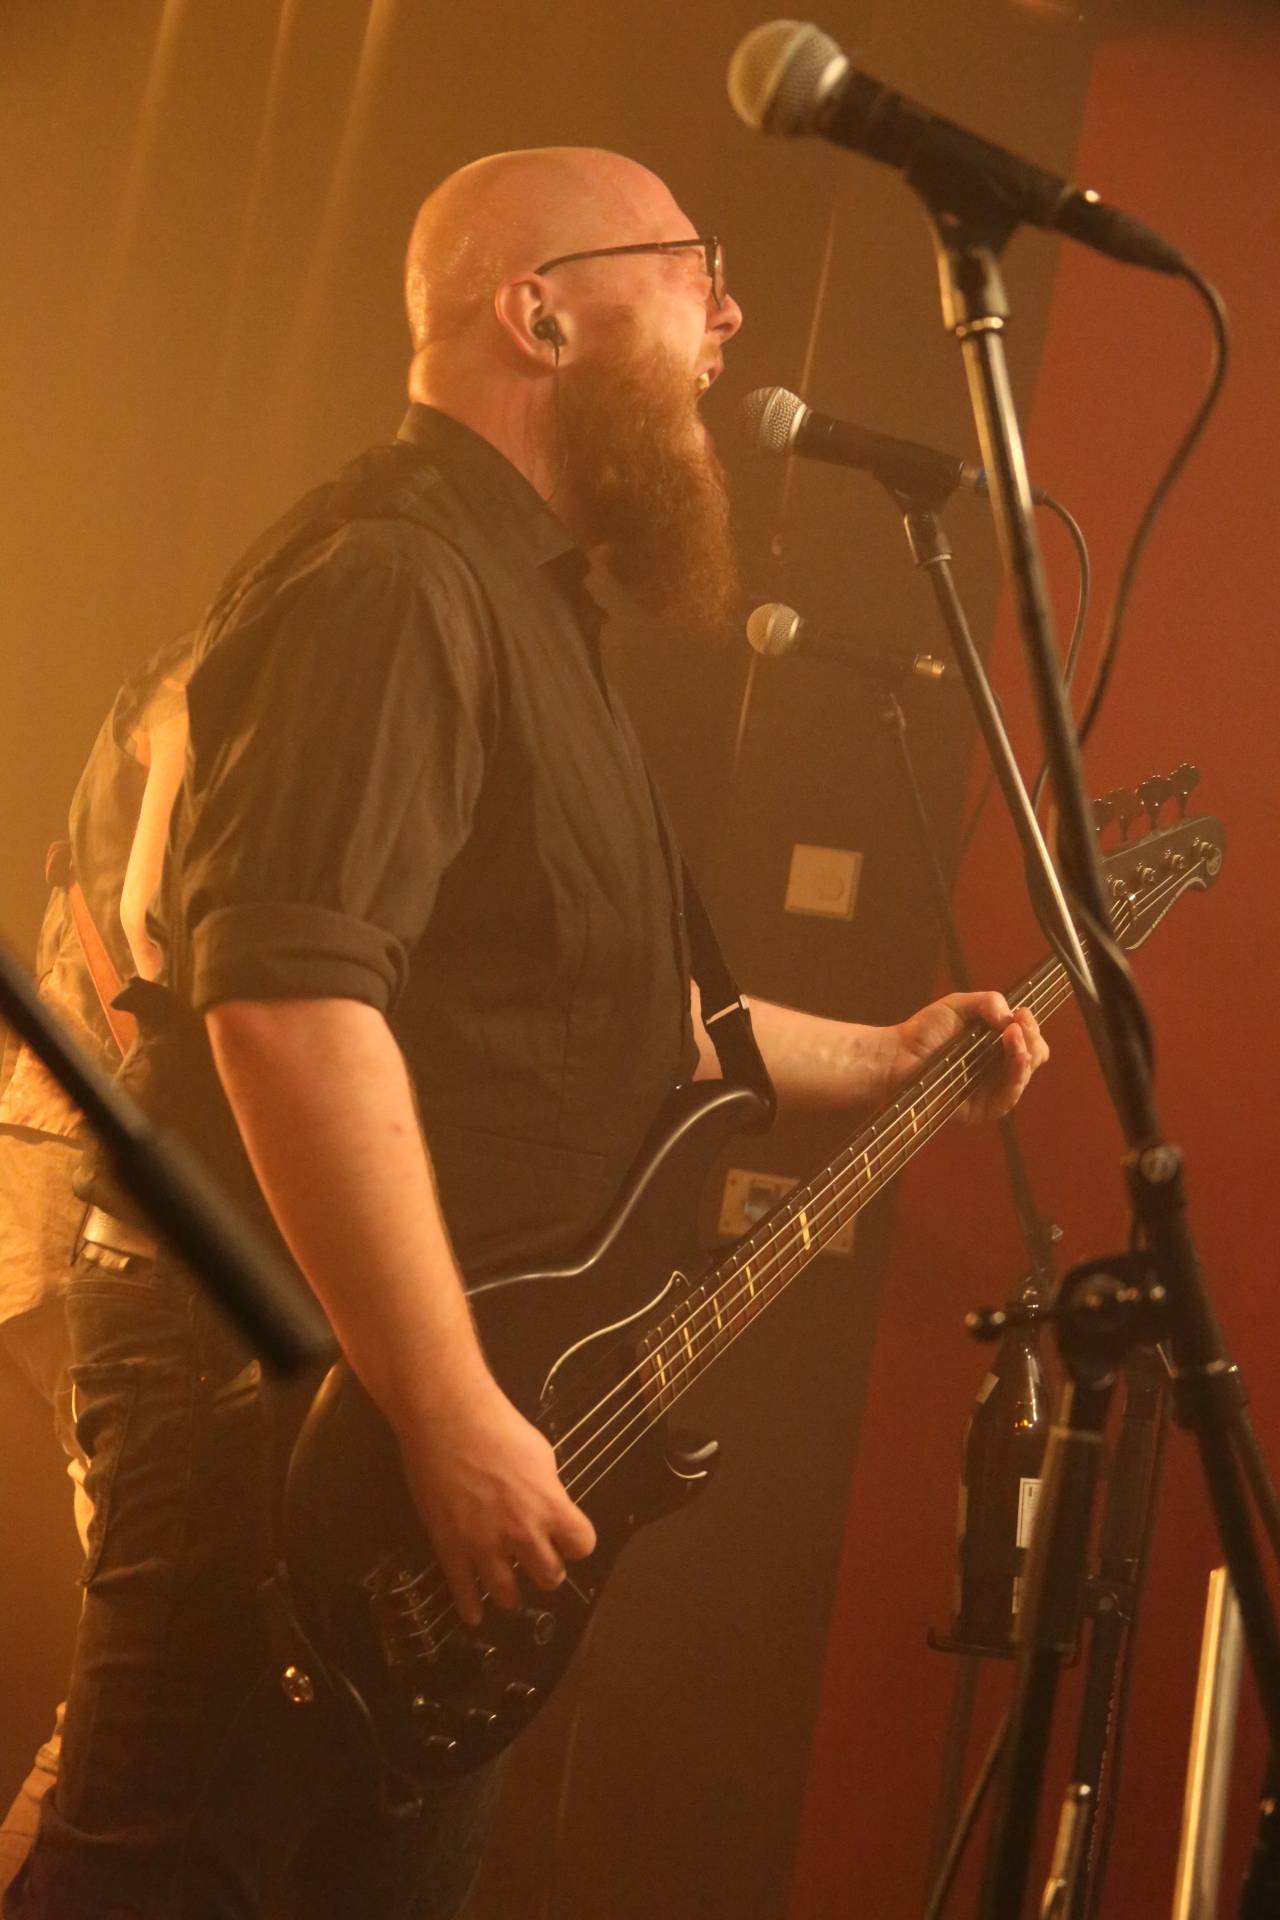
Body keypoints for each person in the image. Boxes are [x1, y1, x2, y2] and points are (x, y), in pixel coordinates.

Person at [5, 147, 1048, 1920]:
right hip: (290, 1416)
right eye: (692, 272)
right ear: (538, 315)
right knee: (168, 1877)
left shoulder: (533, 612)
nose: (730, 318)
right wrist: (444, 1408)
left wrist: (889, 1057)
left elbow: (620, 1022)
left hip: (414, 1431)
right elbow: (289, 1007)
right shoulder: (389, 580)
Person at [0, 638, 190, 1891]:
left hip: (45, 1190)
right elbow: (142, 929)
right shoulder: (181, 706)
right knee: (114, 1600)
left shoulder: (121, 764)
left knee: (108, 1588)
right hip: (67, 1201)